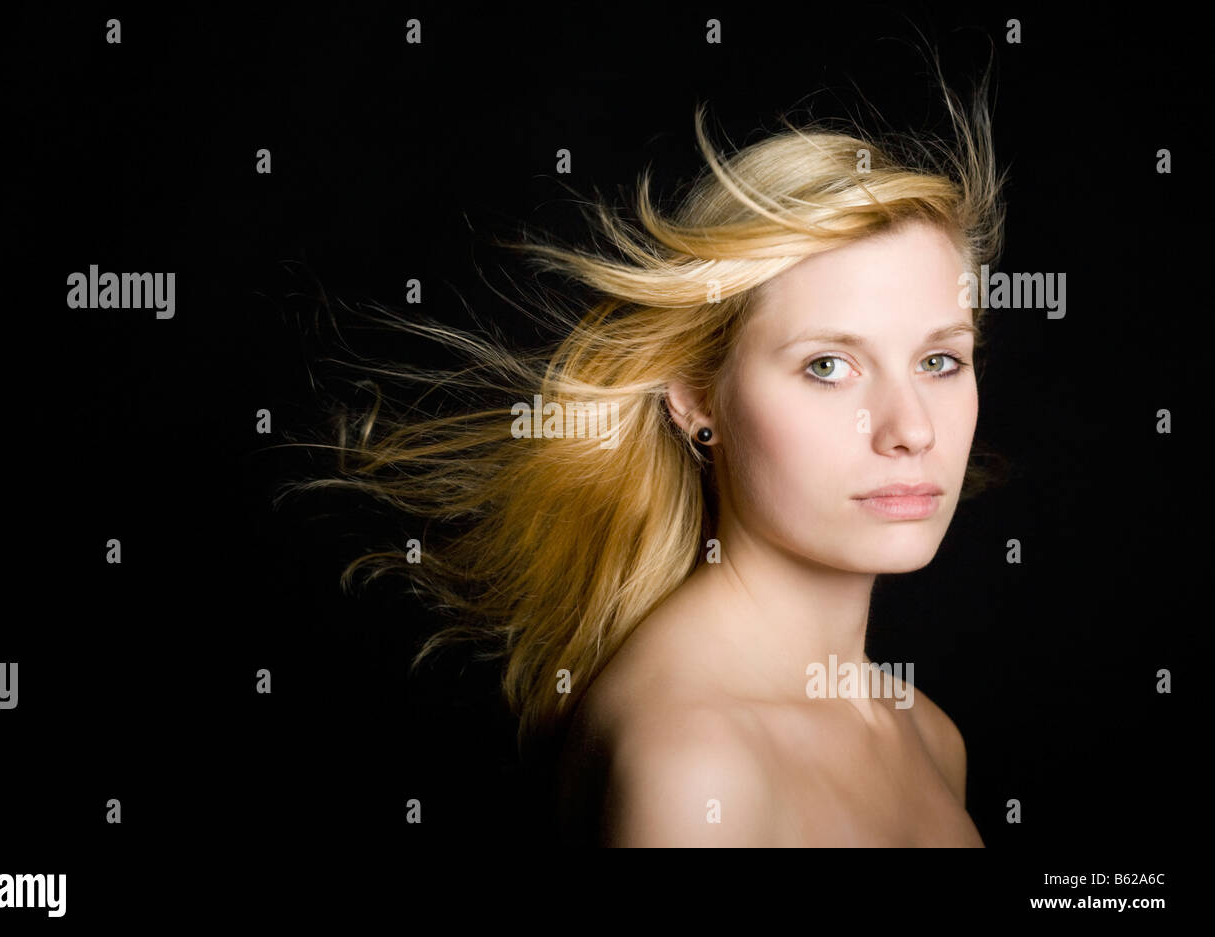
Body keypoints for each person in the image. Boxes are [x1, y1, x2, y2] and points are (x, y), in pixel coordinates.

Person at [282, 61, 1006, 847]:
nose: (911, 428)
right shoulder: (694, 766)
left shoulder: (929, 736)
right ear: (696, 397)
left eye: (940, 361)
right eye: (827, 365)